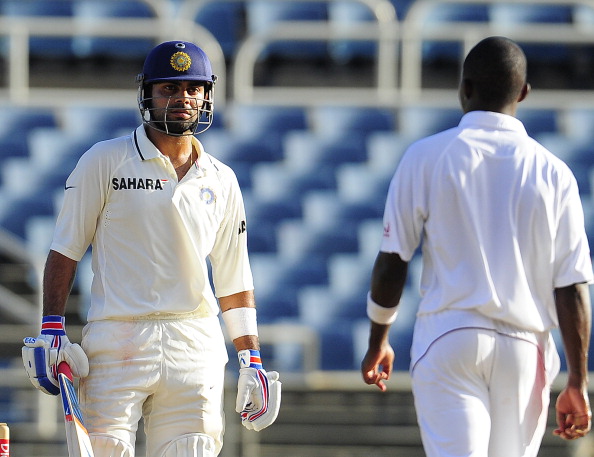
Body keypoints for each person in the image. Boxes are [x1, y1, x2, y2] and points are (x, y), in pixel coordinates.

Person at [21, 40, 281, 457]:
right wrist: (52, 328)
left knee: (192, 448)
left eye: (193, 89)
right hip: (118, 335)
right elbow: (65, 249)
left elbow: (234, 277)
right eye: (169, 88)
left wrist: (251, 357)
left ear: (207, 95)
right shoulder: (105, 161)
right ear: (147, 94)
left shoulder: (221, 179)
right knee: (105, 450)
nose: (183, 99)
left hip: (194, 342)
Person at [361, 36, 592, 457]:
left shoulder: (425, 156)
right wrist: (578, 381)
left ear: (464, 89)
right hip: (525, 347)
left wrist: (379, 338)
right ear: (523, 93)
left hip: (449, 337)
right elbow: (572, 287)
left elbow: (394, 260)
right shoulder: (555, 173)